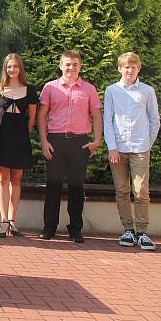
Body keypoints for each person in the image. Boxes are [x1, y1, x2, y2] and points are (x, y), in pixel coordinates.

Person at [37, 50, 102, 243]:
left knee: (76, 187)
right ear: (60, 66)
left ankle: (75, 229)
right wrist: (44, 141)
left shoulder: (89, 89)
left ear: (80, 66)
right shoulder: (50, 88)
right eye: (67, 64)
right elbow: (41, 116)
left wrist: (97, 141)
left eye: (74, 64)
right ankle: (49, 227)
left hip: (79, 143)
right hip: (55, 141)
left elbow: (97, 116)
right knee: (53, 186)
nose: (71, 68)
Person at [103, 52, 159, 251]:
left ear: (138, 69)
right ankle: (128, 230)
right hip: (118, 149)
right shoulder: (111, 90)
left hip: (140, 148)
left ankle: (142, 232)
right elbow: (107, 121)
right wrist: (112, 147)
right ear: (120, 68)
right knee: (122, 191)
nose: (129, 70)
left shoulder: (147, 91)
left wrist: (147, 143)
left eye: (133, 67)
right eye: (126, 66)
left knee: (141, 191)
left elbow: (154, 120)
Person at [0, 54, 38, 237]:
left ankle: (12, 221)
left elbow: (32, 117)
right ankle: (2, 221)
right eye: (9, 66)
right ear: (5, 68)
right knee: (2, 178)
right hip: (2, 136)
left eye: (15, 66)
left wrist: (23, 133)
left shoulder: (29, 90)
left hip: (20, 137)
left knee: (16, 178)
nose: (12, 69)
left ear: (20, 68)